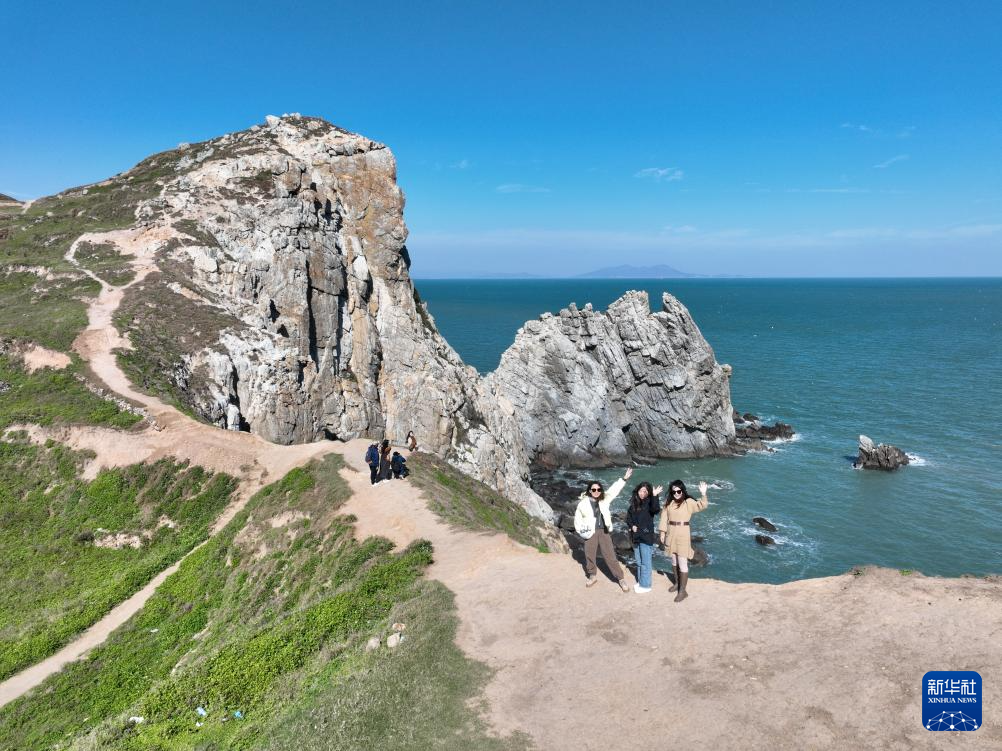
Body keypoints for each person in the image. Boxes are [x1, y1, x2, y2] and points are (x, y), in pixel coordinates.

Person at [573, 468, 633, 592]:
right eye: (594, 489)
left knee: (610, 555)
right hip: (590, 532)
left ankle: (620, 578)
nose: (596, 491)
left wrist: (624, 479)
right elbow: (577, 520)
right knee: (589, 554)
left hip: (604, 531)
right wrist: (581, 531)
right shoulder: (582, 504)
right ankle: (592, 575)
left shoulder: (604, 500)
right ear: (590, 490)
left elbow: (613, 490)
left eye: (598, 489)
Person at [658, 479, 709, 602]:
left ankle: (683, 591)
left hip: (683, 533)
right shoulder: (669, 503)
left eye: (678, 491)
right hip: (671, 533)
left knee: (682, 562)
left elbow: (702, 505)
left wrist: (703, 494)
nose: (676, 493)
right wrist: (662, 532)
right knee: (674, 560)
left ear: (682, 490)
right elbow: (664, 517)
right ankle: (677, 583)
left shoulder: (688, 502)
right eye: (674, 491)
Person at [626, 481, 664, 594]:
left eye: (646, 492)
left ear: (648, 493)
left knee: (646, 562)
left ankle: (646, 585)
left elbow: (656, 509)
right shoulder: (634, 503)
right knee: (638, 561)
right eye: (641, 490)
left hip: (646, 536)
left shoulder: (650, 502)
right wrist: (632, 525)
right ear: (637, 490)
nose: (643, 493)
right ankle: (641, 581)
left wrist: (655, 495)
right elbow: (628, 517)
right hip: (636, 537)